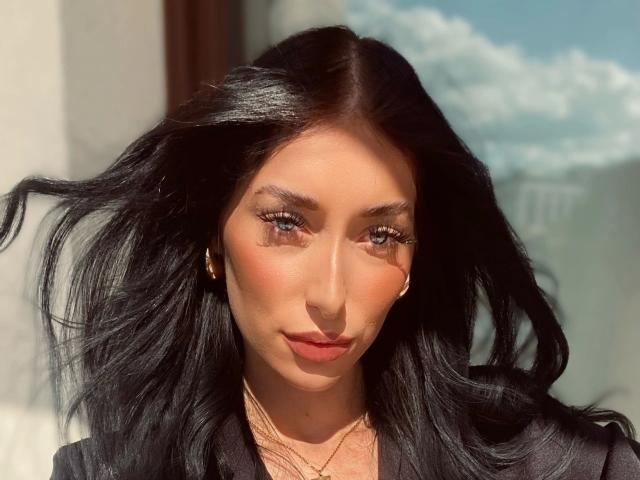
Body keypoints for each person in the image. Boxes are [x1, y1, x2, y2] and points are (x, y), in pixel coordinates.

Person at [1, 25, 639, 480]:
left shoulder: (541, 459)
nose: (330, 297)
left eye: (380, 235)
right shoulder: (112, 472)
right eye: (286, 224)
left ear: (415, 261)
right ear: (213, 239)